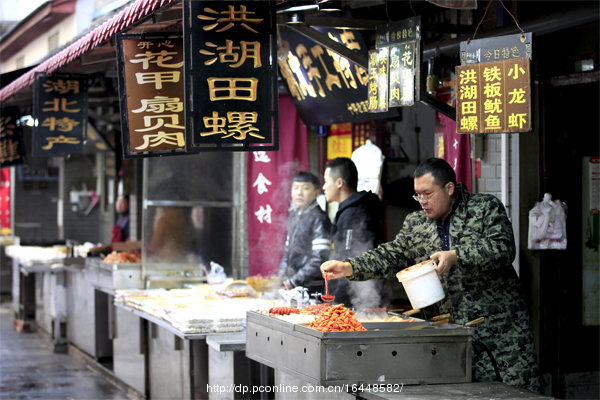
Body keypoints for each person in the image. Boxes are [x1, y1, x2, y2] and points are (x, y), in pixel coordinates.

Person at [321, 157, 539, 392]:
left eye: (427, 193)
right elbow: (392, 255)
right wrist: (349, 267)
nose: (422, 201)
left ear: (449, 188)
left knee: (510, 394)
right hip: (448, 338)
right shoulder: (416, 223)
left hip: (498, 334)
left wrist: (456, 255)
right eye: (417, 195)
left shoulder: (485, 208)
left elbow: (503, 249)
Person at [322, 157, 384, 307]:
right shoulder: (349, 210)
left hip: (355, 299)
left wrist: (337, 301)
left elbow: (350, 258)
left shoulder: (354, 214)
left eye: (326, 181)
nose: (323, 187)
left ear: (339, 183)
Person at [278, 172, 331, 295]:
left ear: (316, 193)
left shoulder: (319, 218)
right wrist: (279, 280)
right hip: (292, 286)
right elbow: (287, 254)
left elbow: (320, 258)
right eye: (296, 188)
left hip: (311, 287)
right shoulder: (293, 217)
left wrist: (293, 281)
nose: (299, 193)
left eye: (305, 188)